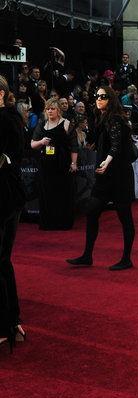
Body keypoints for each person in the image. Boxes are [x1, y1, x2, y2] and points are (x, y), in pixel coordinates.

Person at [66, 85, 136, 271]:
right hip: (105, 176)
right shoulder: (101, 118)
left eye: (103, 96)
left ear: (111, 99)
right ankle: (87, 255)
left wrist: (107, 161)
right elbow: (92, 141)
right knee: (92, 212)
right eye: (97, 96)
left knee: (125, 216)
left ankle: (126, 259)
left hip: (119, 175)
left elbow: (116, 145)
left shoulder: (116, 119)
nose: (98, 99)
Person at [0, 76, 26, 351]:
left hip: (4, 197)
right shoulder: (13, 118)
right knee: (3, 261)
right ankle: (12, 322)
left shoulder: (6, 119)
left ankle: (6, 325)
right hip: (11, 196)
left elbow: (9, 157)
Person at [31, 98, 78, 230]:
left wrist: (73, 163)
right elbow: (32, 144)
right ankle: (48, 222)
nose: (50, 111)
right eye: (48, 109)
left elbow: (74, 146)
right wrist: (41, 142)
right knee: (47, 194)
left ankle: (62, 222)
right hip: (45, 166)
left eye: (52, 108)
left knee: (62, 194)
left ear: (58, 110)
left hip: (62, 165)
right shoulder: (42, 124)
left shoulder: (66, 124)